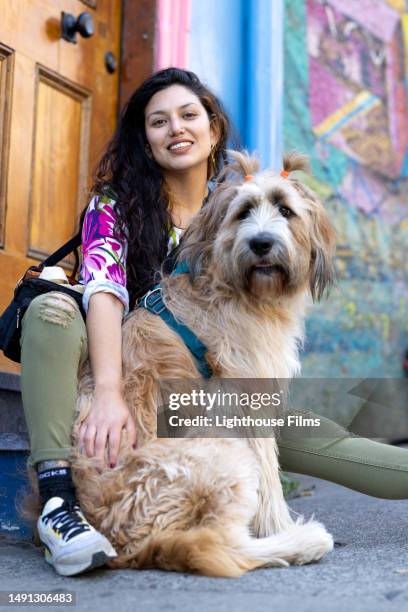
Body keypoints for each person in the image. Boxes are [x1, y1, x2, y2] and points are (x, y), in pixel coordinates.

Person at [20, 67, 408, 577]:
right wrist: (110, 391)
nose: (175, 128)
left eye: (188, 115)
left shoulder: (227, 200)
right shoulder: (116, 205)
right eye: (158, 121)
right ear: (146, 139)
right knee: (54, 313)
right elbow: (105, 291)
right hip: (149, 400)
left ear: (213, 129)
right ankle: (61, 502)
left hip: (208, 403)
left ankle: (257, 526)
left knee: (331, 439)